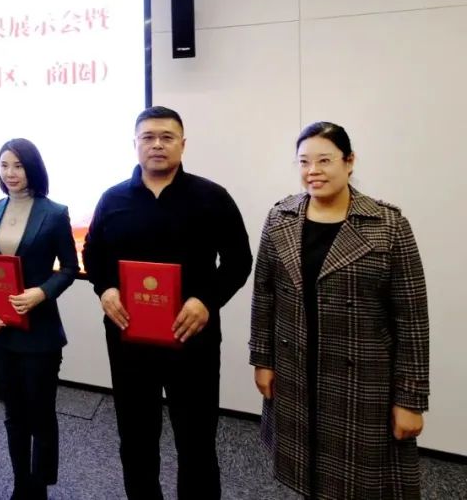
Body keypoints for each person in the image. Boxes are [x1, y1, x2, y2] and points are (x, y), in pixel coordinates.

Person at [249, 122, 429, 499]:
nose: (312, 171)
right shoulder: (280, 218)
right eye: (304, 162)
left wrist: (410, 400)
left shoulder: (388, 225)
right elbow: (263, 295)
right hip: (295, 369)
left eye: (324, 160)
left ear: (349, 162)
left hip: (362, 380)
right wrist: (262, 360)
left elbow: (411, 319)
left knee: (356, 480)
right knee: (307, 471)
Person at [82, 106, 252, 500]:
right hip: (129, 338)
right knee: (135, 437)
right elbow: (93, 253)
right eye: (148, 137)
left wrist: (206, 300)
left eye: (167, 137)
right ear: (135, 144)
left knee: (196, 439)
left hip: (192, 339)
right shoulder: (113, 198)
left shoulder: (212, 197)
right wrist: (105, 289)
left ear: (182, 144)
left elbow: (239, 261)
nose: (157, 144)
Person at [0, 138, 77, 500]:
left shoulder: (54, 213)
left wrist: (42, 292)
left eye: (18, 165)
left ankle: (40, 485)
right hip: (2, 329)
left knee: (40, 413)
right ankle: (21, 483)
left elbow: (70, 268)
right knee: (14, 414)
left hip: (39, 332)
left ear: (32, 167)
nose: (10, 173)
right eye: (4, 165)